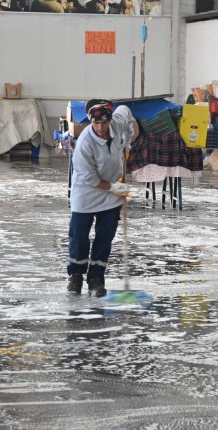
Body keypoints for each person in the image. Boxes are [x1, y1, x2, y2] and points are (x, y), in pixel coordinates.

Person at [67, 99, 135, 297]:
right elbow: (89, 178)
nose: (100, 127)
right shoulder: (84, 143)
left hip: (111, 195)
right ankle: (76, 276)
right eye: (95, 123)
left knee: (105, 237)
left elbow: (126, 110)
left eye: (104, 122)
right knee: (79, 237)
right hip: (87, 193)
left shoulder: (117, 122)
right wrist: (115, 187)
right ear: (90, 121)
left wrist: (128, 140)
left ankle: (96, 278)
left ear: (109, 120)